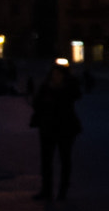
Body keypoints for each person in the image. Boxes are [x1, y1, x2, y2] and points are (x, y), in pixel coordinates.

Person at [29, 65, 83, 200]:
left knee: (65, 160)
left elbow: (76, 95)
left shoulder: (68, 88)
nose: (56, 77)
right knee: (46, 161)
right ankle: (46, 190)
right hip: (47, 129)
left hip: (65, 129)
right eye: (54, 74)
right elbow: (36, 103)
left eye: (59, 74)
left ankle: (62, 191)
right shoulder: (46, 87)